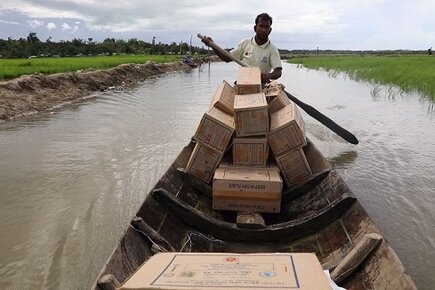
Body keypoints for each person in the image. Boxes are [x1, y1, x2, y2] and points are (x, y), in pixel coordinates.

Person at [201, 13, 282, 83]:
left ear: (270, 30)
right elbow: (227, 58)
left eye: (266, 27)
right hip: (243, 84)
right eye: (261, 26)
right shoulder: (245, 43)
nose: (263, 30)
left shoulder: (272, 49)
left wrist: (269, 75)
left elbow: (278, 71)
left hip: (262, 85)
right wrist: (212, 45)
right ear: (255, 28)